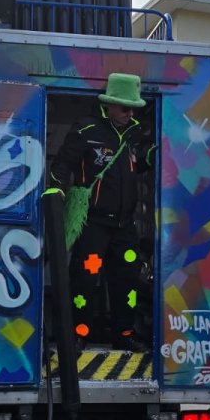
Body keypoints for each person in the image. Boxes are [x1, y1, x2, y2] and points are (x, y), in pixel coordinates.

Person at [49, 73, 154, 351]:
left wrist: (153, 155)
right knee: (85, 281)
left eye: (134, 108)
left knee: (127, 282)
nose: (130, 113)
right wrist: (56, 190)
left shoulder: (134, 132)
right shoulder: (87, 130)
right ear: (109, 104)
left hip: (125, 227)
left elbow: (138, 166)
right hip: (93, 224)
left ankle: (124, 334)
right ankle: (78, 335)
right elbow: (62, 164)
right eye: (125, 108)